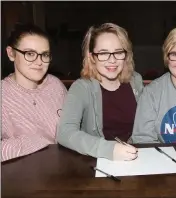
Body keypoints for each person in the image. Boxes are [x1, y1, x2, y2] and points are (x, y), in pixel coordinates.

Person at [57, 23, 144, 161]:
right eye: (103, 53)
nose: (112, 60)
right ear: (92, 57)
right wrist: (110, 150)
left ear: (125, 55)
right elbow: (64, 133)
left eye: (118, 52)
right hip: (97, 162)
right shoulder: (81, 88)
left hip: (136, 156)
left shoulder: (136, 81)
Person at [1, 24, 67, 162]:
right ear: (11, 53)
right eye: (29, 54)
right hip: (23, 178)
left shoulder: (55, 85)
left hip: (63, 171)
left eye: (45, 55)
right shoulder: (3, 95)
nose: (39, 62)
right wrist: (39, 142)